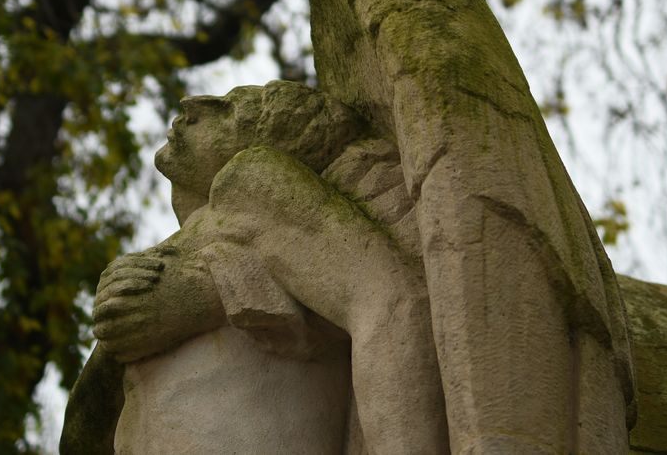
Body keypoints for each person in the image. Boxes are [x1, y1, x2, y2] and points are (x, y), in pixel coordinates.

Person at [62, 81, 447, 454]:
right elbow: (81, 435)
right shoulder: (198, 243)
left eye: (232, 110)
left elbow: (394, 306)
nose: (193, 105)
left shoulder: (252, 177)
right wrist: (115, 335)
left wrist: (208, 290)